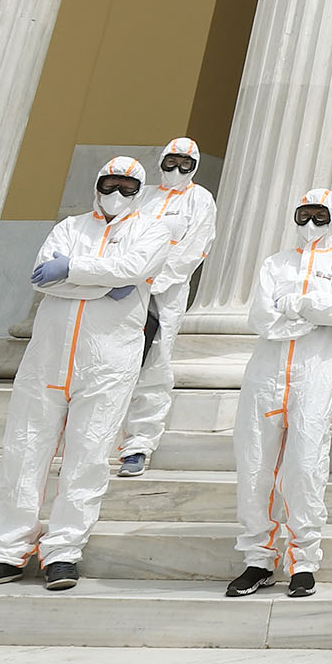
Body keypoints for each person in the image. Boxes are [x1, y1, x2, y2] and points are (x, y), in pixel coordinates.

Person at [0, 157, 168, 590]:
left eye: (127, 187)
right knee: (22, 453)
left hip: (107, 361)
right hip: (47, 358)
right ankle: (6, 552)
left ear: (139, 190)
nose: (116, 193)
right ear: (97, 184)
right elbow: (41, 278)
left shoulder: (152, 230)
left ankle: (64, 551)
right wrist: (106, 283)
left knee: (87, 457)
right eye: (110, 184)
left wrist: (72, 269)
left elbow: (132, 268)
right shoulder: (70, 227)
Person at [226, 188, 332, 599]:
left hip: (313, 375)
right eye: (304, 214)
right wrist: (312, 312)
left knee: (305, 467)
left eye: (320, 215)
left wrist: (296, 303)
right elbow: (261, 318)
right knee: (255, 466)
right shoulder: (275, 263)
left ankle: (303, 560)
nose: (311, 223)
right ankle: (258, 559)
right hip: (265, 375)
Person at [117, 136, 218, 477]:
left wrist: (151, 280)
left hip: (165, 293)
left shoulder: (199, 199)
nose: (177, 169)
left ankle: (138, 444)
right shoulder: (143, 194)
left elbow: (194, 248)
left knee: (154, 364)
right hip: (124, 287)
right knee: (112, 361)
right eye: (171, 161)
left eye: (185, 164)